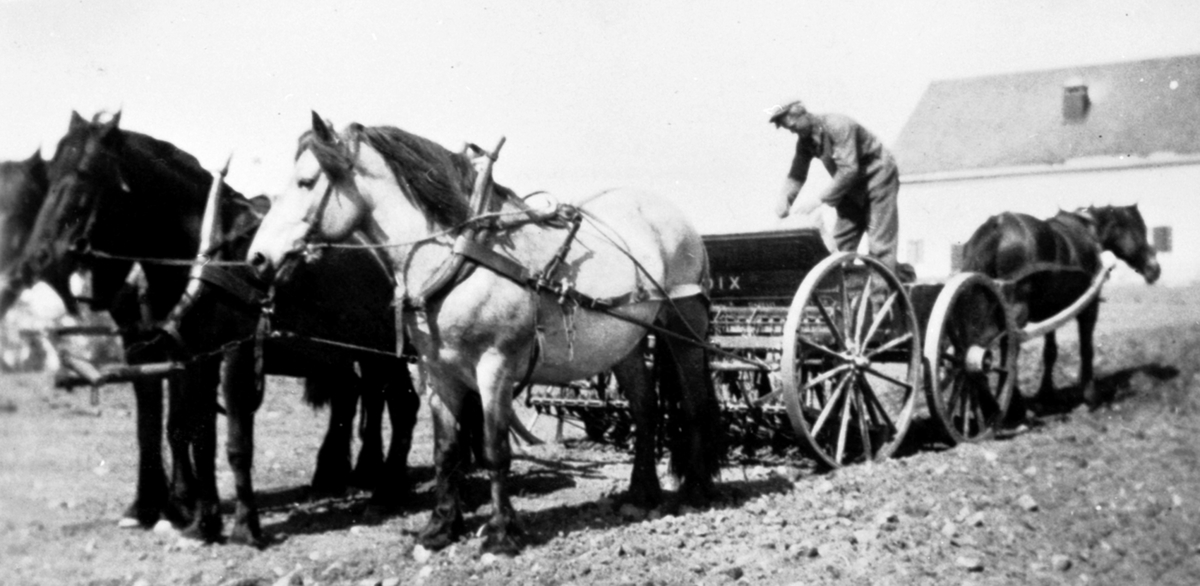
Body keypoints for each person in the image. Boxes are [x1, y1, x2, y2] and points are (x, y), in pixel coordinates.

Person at [770, 100, 901, 276]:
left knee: (880, 246)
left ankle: (881, 300)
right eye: (789, 130)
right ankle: (843, 296)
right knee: (837, 247)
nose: (793, 132)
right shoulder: (805, 141)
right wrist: (784, 200)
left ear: (804, 115)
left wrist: (818, 201)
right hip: (850, 188)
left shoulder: (838, 125)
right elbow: (797, 174)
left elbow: (849, 169)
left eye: (794, 126)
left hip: (878, 179)